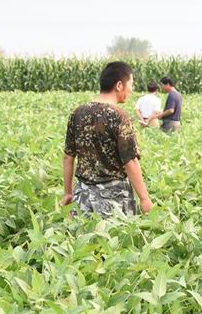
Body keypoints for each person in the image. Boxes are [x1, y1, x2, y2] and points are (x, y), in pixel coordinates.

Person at [62, 61, 153, 216]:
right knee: (114, 232)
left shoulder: (77, 113)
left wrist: (68, 193)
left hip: (82, 196)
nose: (131, 90)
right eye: (131, 84)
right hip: (113, 198)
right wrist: (144, 199)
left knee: (82, 230)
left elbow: (68, 157)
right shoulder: (119, 116)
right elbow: (130, 161)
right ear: (119, 85)